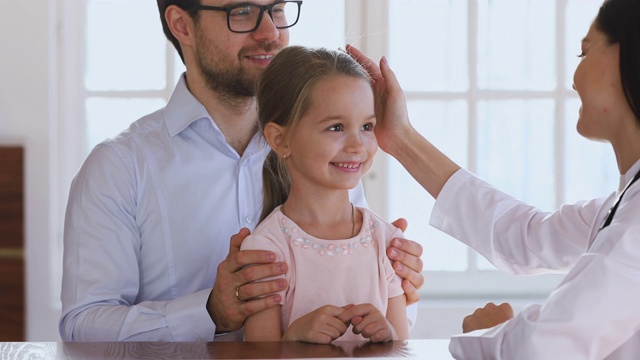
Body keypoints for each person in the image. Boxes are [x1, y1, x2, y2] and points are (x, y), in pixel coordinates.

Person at [59, 0, 424, 342]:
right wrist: (209, 311)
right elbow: (82, 327)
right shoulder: (119, 167)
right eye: (243, 11)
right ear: (182, 24)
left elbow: (383, 324)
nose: (271, 33)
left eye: (277, 9)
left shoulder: (330, 156)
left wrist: (399, 288)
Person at [347, 0, 640, 357]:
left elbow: (536, 349)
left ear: (627, 58)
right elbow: (525, 236)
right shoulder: (624, 206)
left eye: (584, 52)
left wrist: (493, 331)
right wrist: (400, 138)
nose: (573, 78)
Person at [240, 46, 409, 343]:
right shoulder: (266, 249)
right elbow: (259, 354)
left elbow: (402, 347)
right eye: (336, 127)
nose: (358, 145)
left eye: (367, 126)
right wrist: (294, 338)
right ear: (280, 139)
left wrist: (389, 336)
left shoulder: (387, 241)